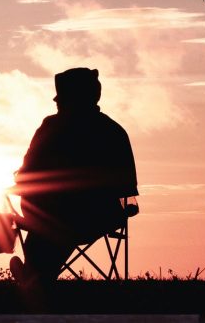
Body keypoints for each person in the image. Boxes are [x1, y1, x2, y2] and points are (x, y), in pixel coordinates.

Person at [10, 67, 138, 284]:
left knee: (51, 221)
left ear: (71, 99)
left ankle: (36, 275)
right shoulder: (113, 131)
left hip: (59, 216)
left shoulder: (50, 127)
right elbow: (127, 187)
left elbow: (26, 173)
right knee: (56, 221)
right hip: (100, 217)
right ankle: (35, 274)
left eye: (61, 99)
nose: (56, 104)